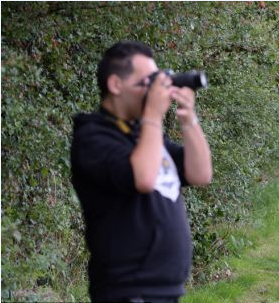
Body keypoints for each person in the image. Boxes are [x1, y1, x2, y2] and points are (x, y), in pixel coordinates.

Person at [71, 41, 212, 302]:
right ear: (116, 85)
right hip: (127, 291)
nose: (155, 90)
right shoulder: (93, 137)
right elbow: (144, 179)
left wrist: (188, 118)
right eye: (148, 82)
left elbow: (200, 174)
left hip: (164, 290)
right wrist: (153, 116)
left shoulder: (146, 135)